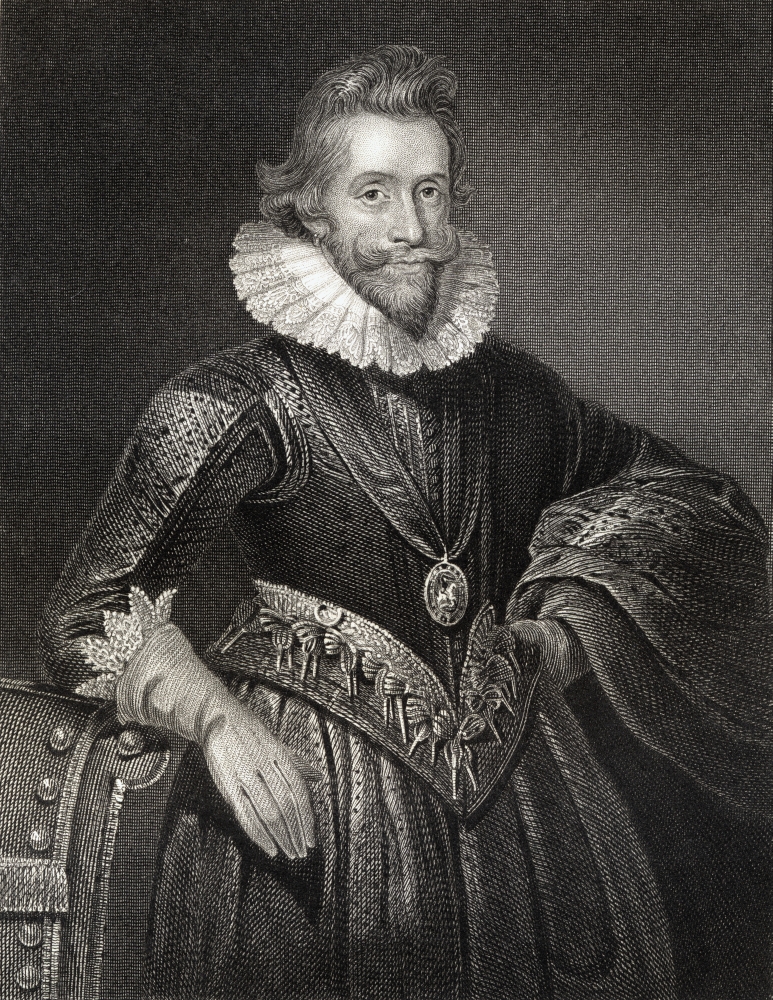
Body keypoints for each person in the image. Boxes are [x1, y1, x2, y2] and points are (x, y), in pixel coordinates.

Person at [40, 45, 770, 1000]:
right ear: (312, 210)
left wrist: (567, 627)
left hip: (529, 808)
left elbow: (685, 499)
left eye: (429, 192)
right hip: (309, 812)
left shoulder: (514, 392)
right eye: (374, 194)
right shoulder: (234, 401)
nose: (411, 229)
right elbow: (88, 610)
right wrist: (217, 722)